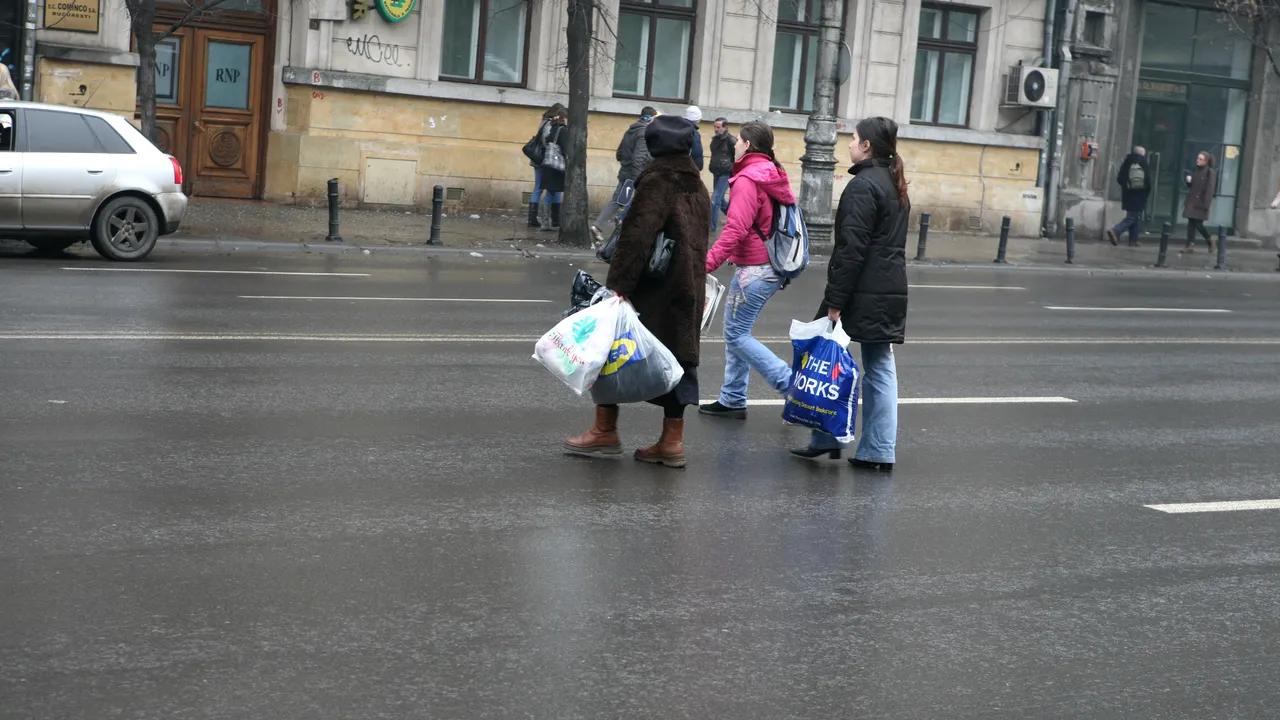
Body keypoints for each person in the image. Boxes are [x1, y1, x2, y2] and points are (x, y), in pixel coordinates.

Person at [563, 115, 711, 468]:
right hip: (687, 287)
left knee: (612, 350)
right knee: (678, 361)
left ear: (655, 146)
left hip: (653, 289)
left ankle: (605, 431)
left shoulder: (658, 180)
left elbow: (637, 237)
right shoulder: (697, 184)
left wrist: (619, 287)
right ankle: (671, 442)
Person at [791, 116, 909, 473]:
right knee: (879, 367)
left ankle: (828, 438)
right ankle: (877, 449)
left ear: (867, 146)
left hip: (861, 290)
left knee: (821, 357)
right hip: (888, 290)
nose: (848, 144)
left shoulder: (863, 187)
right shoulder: (894, 183)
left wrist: (835, 302)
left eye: (854, 139)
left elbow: (851, 251)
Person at [698, 121, 796, 421]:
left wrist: (705, 263)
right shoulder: (770, 173)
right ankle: (733, 398)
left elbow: (737, 228)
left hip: (757, 269)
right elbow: (760, 223)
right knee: (736, 333)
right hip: (765, 265)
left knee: (737, 335)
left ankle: (791, 386)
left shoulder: (747, 179)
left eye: (738, 141)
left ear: (748, 146)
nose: (734, 145)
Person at [591, 106, 655, 241]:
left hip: (626, 171)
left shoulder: (630, 130)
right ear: (649, 118)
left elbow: (619, 153)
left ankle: (611, 224)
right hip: (634, 174)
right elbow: (639, 157)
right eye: (654, 118)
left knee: (619, 200)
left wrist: (626, 163)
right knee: (631, 200)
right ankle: (605, 226)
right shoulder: (643, 133)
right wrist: (638, 178)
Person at [528, 103, 565, 229]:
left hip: (537, 159)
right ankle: (553, 219)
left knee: (539, 187)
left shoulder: (543, 122)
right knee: (551, 188)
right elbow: (547, 141)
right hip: (545, 161)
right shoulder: (550, 124)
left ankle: (533, 218)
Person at [1107, 146, 1151, 247]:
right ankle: (1116, 230)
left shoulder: (1127, 161)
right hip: (1140, 194)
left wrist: (1127, 187)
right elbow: (1148, 180)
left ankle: (1133, 240)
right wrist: (1146, 192)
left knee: (1134, 216)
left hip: (1128, 195)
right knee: (1132, 217)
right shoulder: (1143, 162)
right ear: (1142, 153)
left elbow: (1120, 179)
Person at [539, 109, 569, 231]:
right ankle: (555, 221)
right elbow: (565, 148)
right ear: (564, 118)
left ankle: (545, 222)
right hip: (557, 166)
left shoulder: (551, 129)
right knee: (557, 192)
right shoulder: (563, 131)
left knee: (549, 193)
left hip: (548, 165)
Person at [1181, 151, 1217, 253]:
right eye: (1198, 158)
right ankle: (1189, 245)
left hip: (1201, 202)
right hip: (1192, 201)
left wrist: (1206, 204)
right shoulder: (1196, 170)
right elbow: (1193, 186)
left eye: (1201, 159)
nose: (1198, 160)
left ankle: (1210, 240)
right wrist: (1189, 182)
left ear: (1206, 161)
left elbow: (1210, 189)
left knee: (1198, 224)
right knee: (1191, 223)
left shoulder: (1210, 172)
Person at [708, 118, 736, 231]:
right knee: (720, 200)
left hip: (725, 173)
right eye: (715, 127)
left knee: (715, 200)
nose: (716, 129)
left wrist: (731, 168)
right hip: (716, 172)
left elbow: (739, 157)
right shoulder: (715, 139)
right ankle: (735, 218)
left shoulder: (732, 140)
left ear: (725, 127)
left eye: (718, 127)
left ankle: (710, 228)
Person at [684, 106, 705, 171]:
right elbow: (696, 152)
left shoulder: (676, 127)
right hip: (688, 167)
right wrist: (698, 167)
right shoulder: (694, 133)